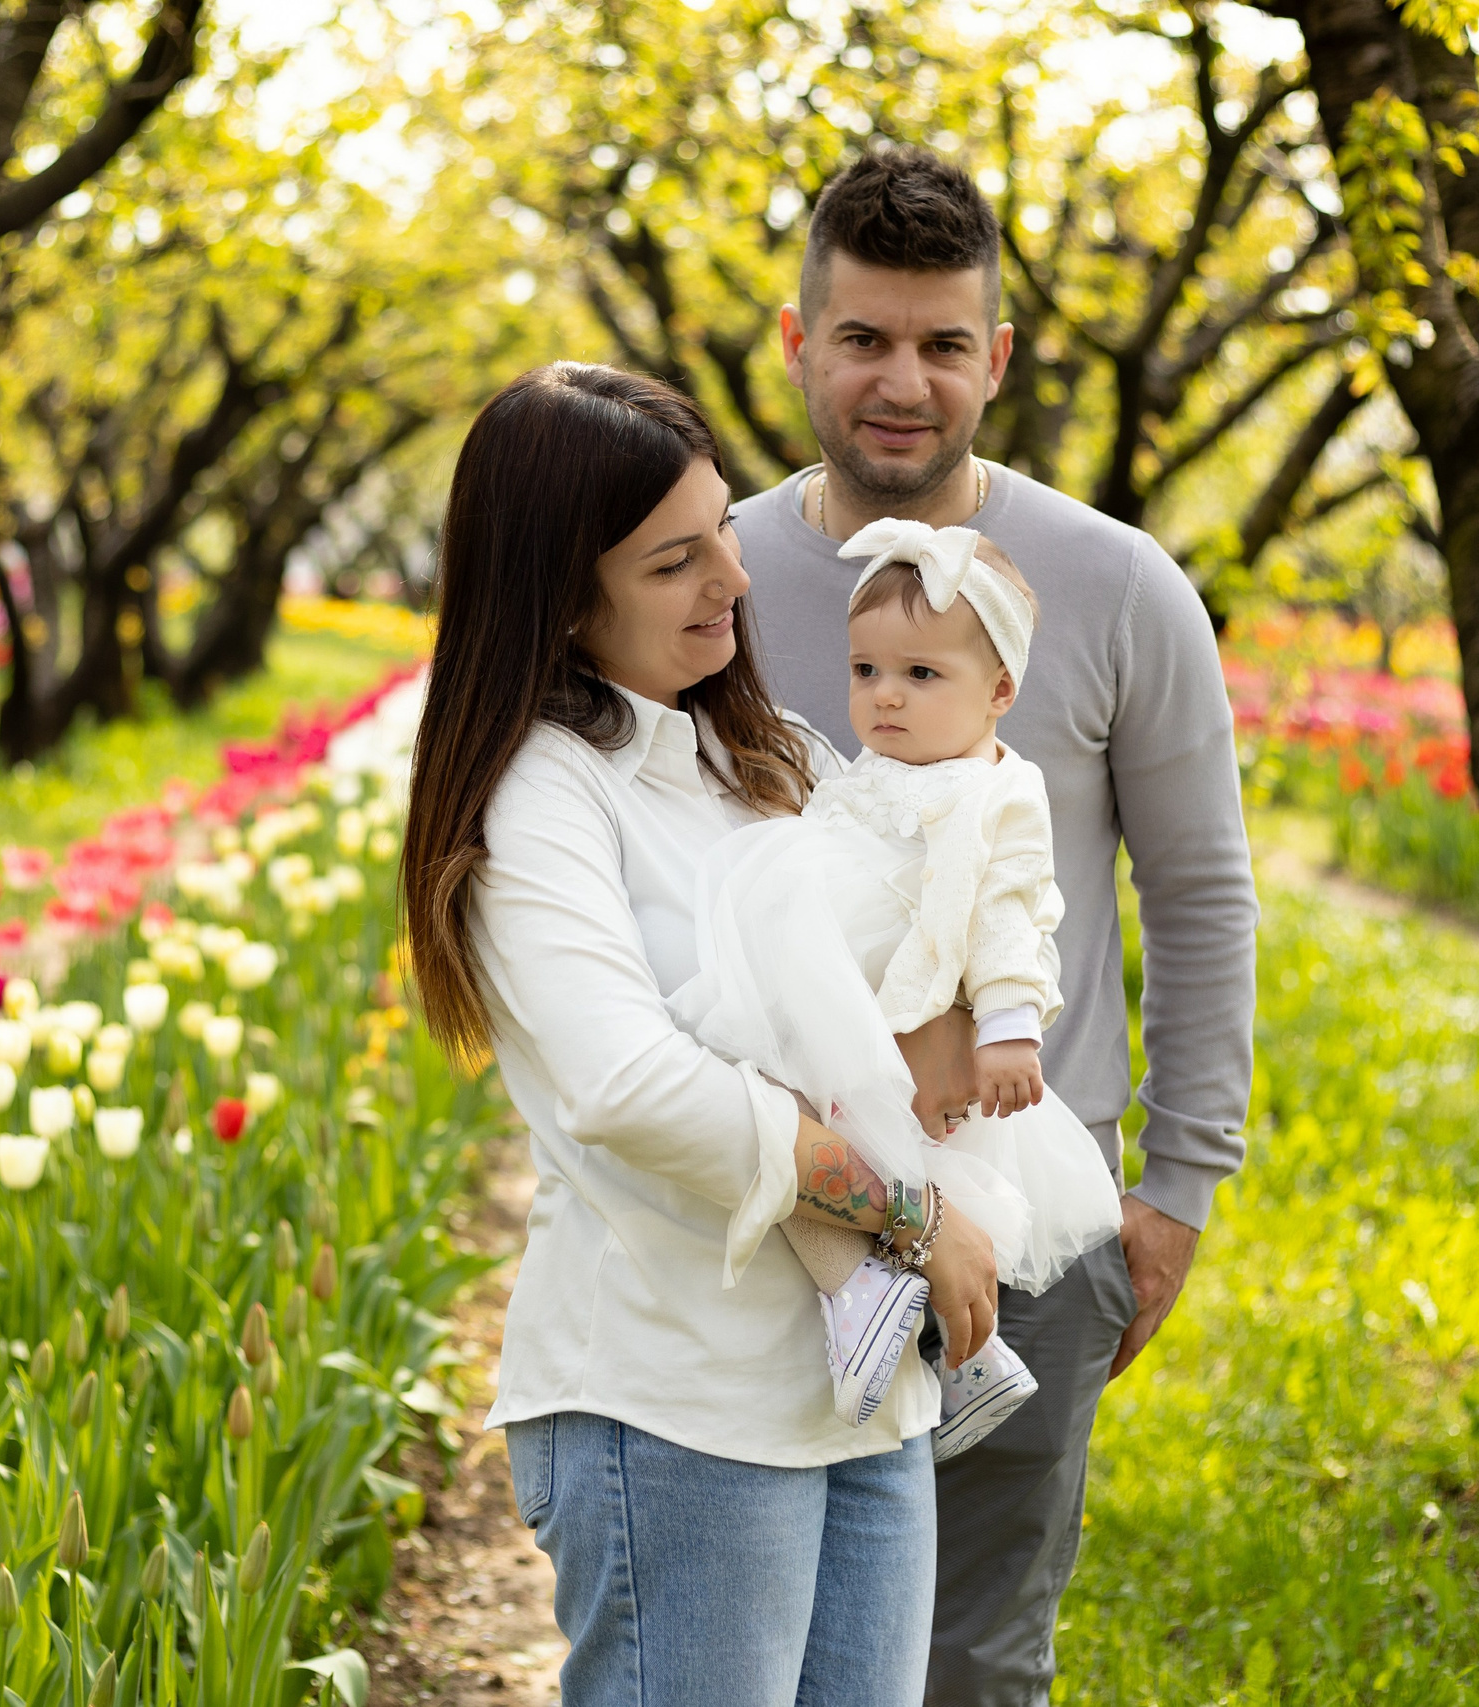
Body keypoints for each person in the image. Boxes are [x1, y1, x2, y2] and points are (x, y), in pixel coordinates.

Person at [731, 148, 1260, 1705]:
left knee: (973, 1659)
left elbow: (1203, 886)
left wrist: (1177, 1185)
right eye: (865, 339)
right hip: (778, 1196)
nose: (906, 382)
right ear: (796, 340)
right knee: (766, 1644)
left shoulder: (1116, 584)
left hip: (1030, 1202)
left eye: (944, 344)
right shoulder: (711, 577)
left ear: (998, 358)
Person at [401, 362, 999, 1707]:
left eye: (723, 526)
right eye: (676, 558)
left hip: (860, 1387)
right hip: (679, 1402)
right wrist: (909, 1206)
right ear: (561, 597)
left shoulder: (763, 753)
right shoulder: (540, 795)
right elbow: (629, 1086)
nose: (732, 576)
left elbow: (905, 946)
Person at [666, 520, 1123, 1454]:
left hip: (907, 1007)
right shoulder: (873, 768)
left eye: (920, 675)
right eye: (866, 670)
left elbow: (1012, 914)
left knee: (892, 1154)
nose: (884, 697)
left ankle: (938, 1331)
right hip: (841, 993)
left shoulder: (1001, 791)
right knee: (797, 1127)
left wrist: (1003, 1025)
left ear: (999, 691)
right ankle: (870, 1302)